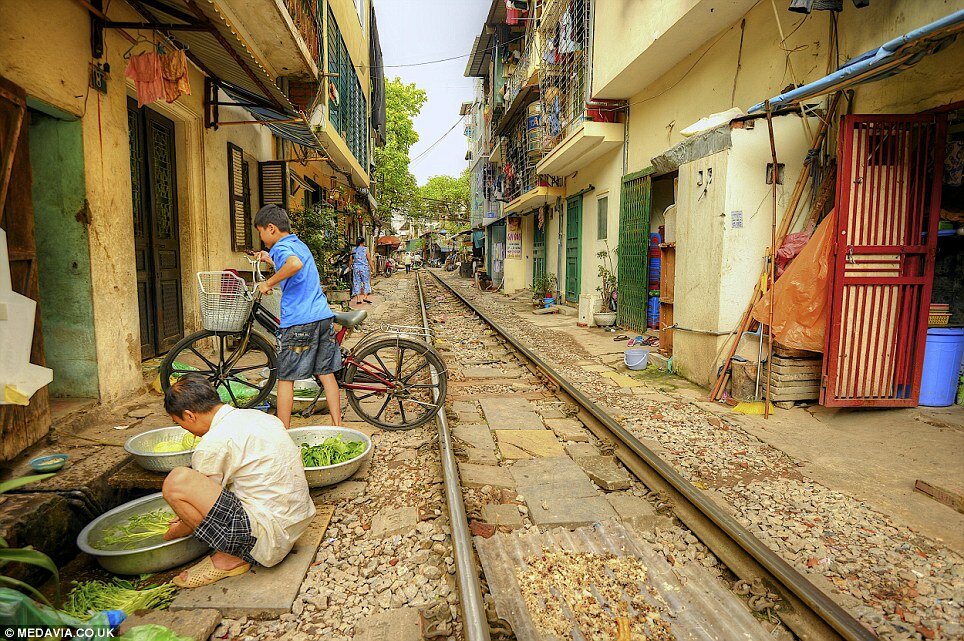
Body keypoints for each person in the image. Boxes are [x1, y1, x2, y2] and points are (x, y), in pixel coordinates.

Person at [161, 376, 315, 588]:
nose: (188, 432)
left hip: (268, 542)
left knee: (176, 482)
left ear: (189, 415)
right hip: (294, 524)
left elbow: (206, 508)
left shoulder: (212, 444)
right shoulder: (258, 416)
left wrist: (175, 531)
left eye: (181, 424)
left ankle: (233, 556)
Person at [252, 204, 342, 428]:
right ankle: (338, 425)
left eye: (260, 232)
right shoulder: (296, 243)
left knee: (285, 377)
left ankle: (283, 430)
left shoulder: (282, 248)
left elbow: (294, 264)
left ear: (271, 228)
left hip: (300, 321)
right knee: (326, 373)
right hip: (321, 316)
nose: (261, 237)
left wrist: (268, 283)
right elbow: (294, 262)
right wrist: (268, 259)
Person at [350, 237, 375, 307]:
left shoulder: (353, 250)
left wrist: (350, 267)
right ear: (363, 242)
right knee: (366, 282)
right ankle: (365, 297)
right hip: (364, 268)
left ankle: (358, 299)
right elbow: (369, 259)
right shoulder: (365, 249)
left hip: (356, 268)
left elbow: (350, 260)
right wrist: (373, 268)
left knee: (356, 282)